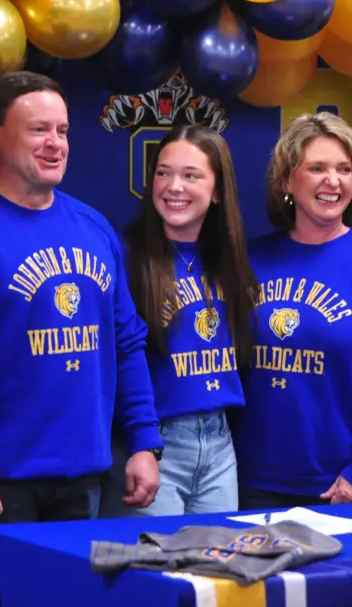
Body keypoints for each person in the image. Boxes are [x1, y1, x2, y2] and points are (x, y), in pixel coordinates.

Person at [0, 70, 164, 606]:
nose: (55, 143)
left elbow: (126, 343)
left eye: (63, 131)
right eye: (38, 130)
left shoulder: (94, 228)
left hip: (82, 483)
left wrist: (144, 443)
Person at [232, 112, 352, 510]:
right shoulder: (249, 261)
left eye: (344, 169)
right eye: (316, 168)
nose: (333, 181)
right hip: (250, 481)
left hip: (341, 486)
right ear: (287, 180)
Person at [101, 124, 259, 517]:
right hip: (155, 445)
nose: (174, 187)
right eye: (163, 172)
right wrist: (141, 444)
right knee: (153, 557)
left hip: (220, 445)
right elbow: (118, 361)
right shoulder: (126, 256)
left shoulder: (231, 259)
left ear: (218, 190)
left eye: (191, 175)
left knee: (217, 556)